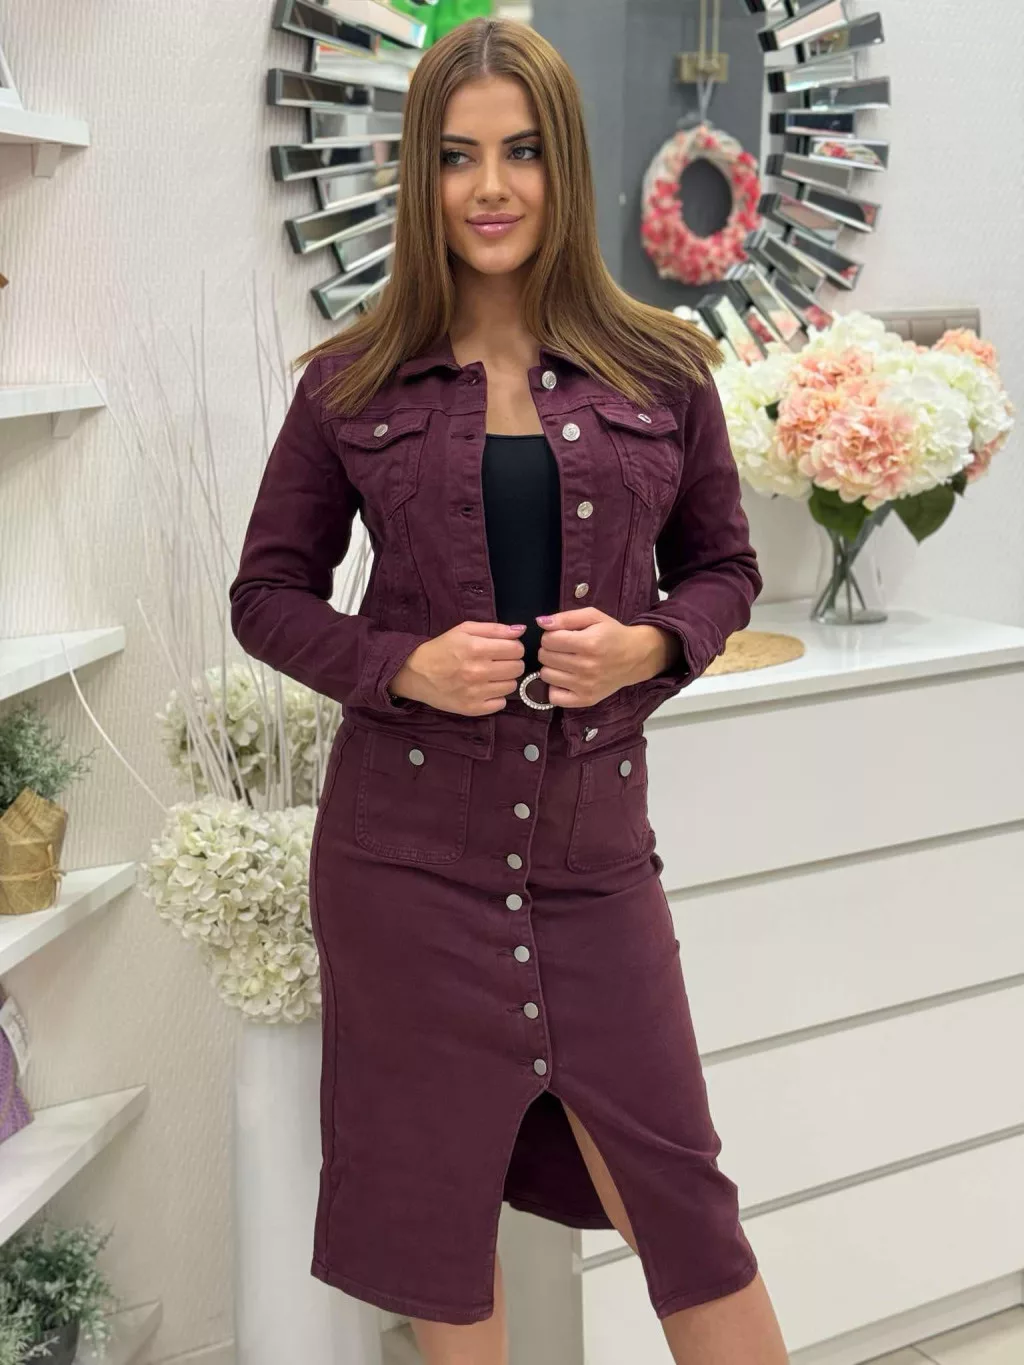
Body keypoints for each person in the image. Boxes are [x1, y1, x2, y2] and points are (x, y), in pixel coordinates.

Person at [229, 16, 788, 1365]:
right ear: (420, 176)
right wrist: (400, 664)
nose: (491, 187)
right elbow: (267, 595)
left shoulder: (665, 370)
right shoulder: (349, 384)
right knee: (436, 1221)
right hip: (404, 868)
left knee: (688, 1213)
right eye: (458, 155)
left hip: (596, 861)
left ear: (565, 165)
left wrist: (650, 646)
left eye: (523, 152)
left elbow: (724, 568)